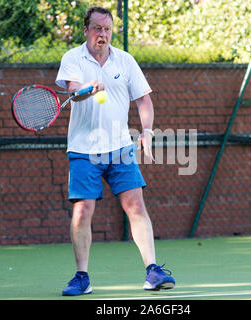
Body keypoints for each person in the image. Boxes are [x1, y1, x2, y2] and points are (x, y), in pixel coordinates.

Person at [55, 6, 175, 296]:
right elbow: (72, 89)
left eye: (107, 29)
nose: (102, 34)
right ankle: (82, 277)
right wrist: (87, 89)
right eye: (97, 29)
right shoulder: (73, 58)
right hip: (84, 150)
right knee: (83, 211)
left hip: (120, 147)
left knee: (136, 205)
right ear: (86, 30)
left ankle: (153, 272)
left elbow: (144, 101)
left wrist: (146, 131)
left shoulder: (125, 60)